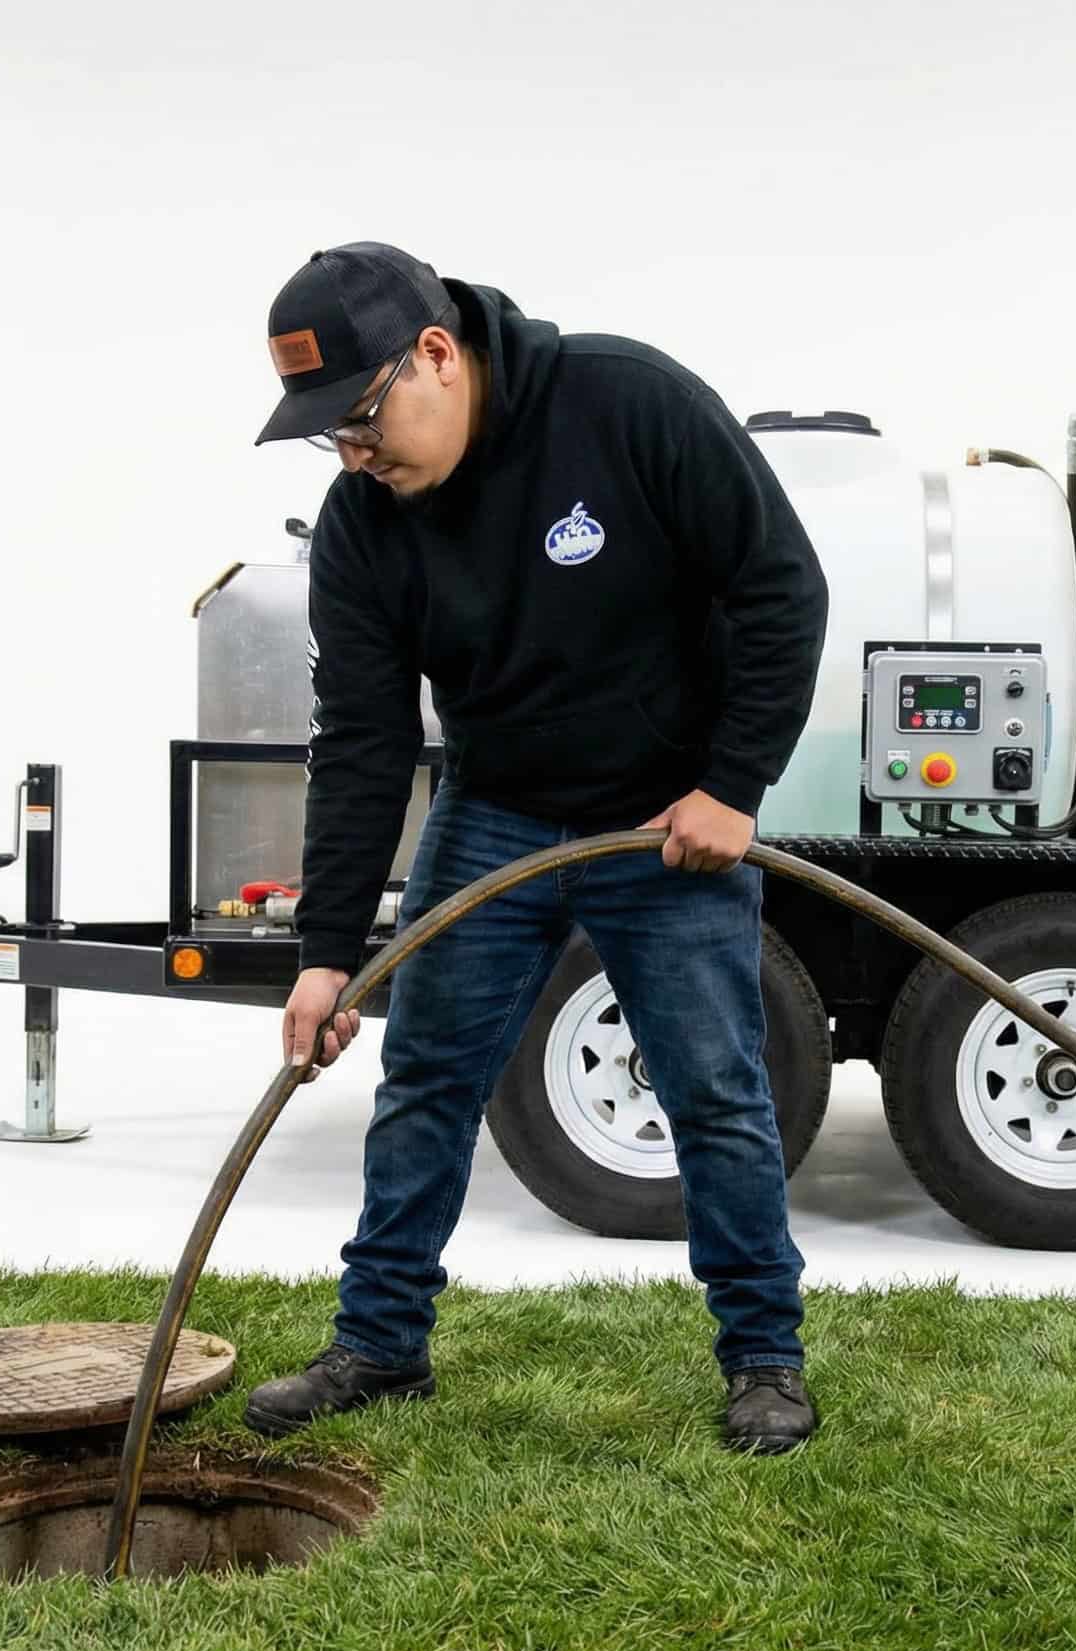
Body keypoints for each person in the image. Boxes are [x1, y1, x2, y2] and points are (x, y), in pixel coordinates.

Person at [239, 241, 830, 1454]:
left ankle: (763, 1355)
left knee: (713, 1093)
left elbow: (781, 586)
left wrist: (730, 786)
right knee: (426, 1080)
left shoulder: (626, 402)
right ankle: (380, 1341)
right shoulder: (364, 526)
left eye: (359, 418)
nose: (352, 455)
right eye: (326, 435)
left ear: (439, 356)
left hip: (666, 820)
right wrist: (322, 954)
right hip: (495, 809)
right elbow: (356, 741)